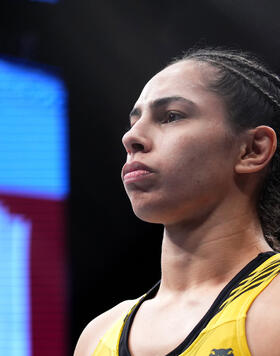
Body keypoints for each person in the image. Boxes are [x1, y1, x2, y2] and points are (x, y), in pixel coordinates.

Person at [74, 47, 280, 356]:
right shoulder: (97, 336)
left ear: (252, 149)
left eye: (171, 116)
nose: (131, 138)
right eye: (134, 121)